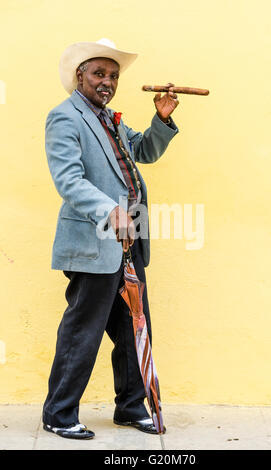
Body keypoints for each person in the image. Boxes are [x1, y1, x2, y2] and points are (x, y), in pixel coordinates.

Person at [42, 38, 179, 440]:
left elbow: (144, 152)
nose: (107, 82)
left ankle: (131, 407)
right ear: (79, 75)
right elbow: (69, 180)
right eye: (99, 73)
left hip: (129, 239)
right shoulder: (64, 117)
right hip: (95, 242)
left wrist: (162, 120)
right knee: (82, 329)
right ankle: (59, 414)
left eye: (113, 75)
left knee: (134, 327)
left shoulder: (110, 119)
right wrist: (109, 209)